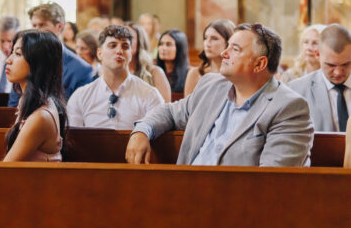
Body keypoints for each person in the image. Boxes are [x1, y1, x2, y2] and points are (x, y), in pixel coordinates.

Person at [126, 23, 314, 167]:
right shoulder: (211, 86)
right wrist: (142, 131)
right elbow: (169, 113)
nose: (224, 53)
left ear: (259, 64)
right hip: (184, 192)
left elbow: (270, 181)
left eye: (235, 49)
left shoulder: (289, 108)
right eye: (228, 46)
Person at [68, 25, 163, 129]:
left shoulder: (150, 95)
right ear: (99, 53)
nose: (119, 51)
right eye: (112, 45)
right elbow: (73, 140)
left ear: (130, 54)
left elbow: (158, 140)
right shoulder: (81, 96)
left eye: (125, 46)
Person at [9, 3, 93, 107]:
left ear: (59, 26)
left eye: (42, 25)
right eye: (34, 25)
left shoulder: (82, 69)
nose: (36, 30)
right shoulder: (23, 61)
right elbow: (13, 106)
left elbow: (77, 111)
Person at [3, 29, 66, 162]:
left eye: (18, 54)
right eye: (12, 53)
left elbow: (7, 167)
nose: (8, 60)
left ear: (38, 62)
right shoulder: (27, 101)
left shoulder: (41, 117)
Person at [289, 24, 351, 132]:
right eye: (331, 65)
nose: (338, 72)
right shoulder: (296, 90)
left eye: (346, 64)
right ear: (317, 54)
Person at [184, 19, 235, 96]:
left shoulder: (237, 75)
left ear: (228, 42)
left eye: (214, 38)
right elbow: (187, 107)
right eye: (205, 38)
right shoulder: (195, 73)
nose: (207, 43)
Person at [126, 23, 171, 102]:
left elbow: (165, 109)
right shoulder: (115, 73)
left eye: (130, 38)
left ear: (140, 42)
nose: (125, 42)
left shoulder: (155, 72)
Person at [156, 29, 190, 94]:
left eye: (168, 44)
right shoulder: (154, 71)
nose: (163, 48)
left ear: (179, 48)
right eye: (161, 44)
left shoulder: (189, 74)